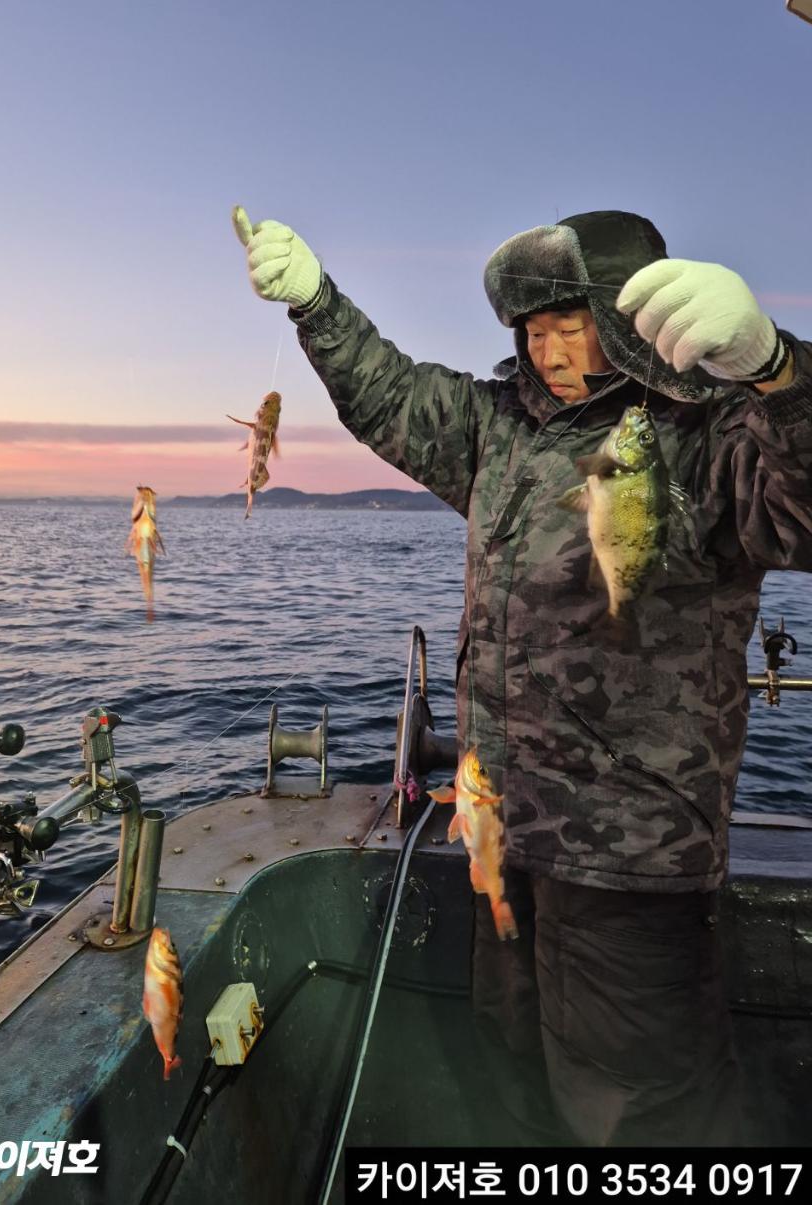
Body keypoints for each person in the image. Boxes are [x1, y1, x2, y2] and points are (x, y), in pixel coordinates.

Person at [232, 205, 812, 1149]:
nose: (544, 349)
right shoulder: (496, 427)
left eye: (567, 324)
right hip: (500, 825)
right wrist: (316, 303)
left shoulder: (712, 436)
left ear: (627, 319)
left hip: (633, 858)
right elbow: (390, 393)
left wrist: (780, 372)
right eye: (530, 329)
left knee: (643, 1115)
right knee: (510, 1073)